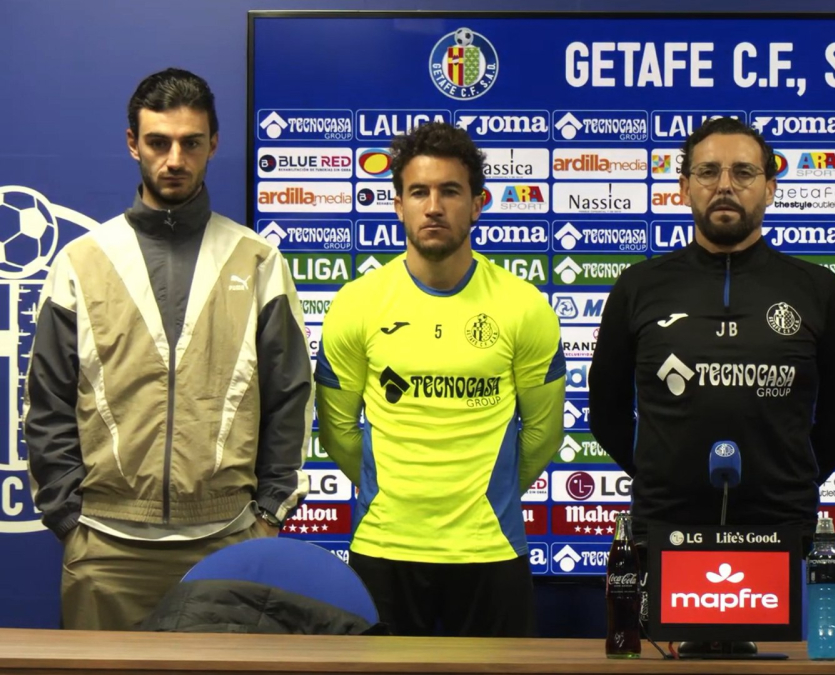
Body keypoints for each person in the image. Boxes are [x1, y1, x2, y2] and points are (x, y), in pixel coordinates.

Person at [23, 67, 313, 631]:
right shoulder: (82, 262)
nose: (174, 159)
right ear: (133, 143)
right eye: (158, 142)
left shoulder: (257, 261)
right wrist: (68, 516)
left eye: (191, 143)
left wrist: (267, 517)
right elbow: (47, 403)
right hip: (106, 552)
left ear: (213, 145)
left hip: (227, 544)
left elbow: (289, 397)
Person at [315, 122, 566, 637]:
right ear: (398, 204)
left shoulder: (525, 307)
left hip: (490, 551)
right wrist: (400, 495)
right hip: (384, 550)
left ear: (477, 204)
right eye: (419, 192)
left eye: (450, 191)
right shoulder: (356, 305)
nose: (434, 206)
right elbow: (337, 431)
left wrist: (482, 498)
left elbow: (544, 434)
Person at [588, 117, 835, 545]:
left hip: (782, 523)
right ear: (683, 188)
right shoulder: (638, 287)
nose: (725, 185)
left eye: (743, 172)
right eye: (708, 171)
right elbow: (606, 412)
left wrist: (785, 480)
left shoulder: (816, 288)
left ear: (770, 187)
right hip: (665, 524)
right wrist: (664, 475)